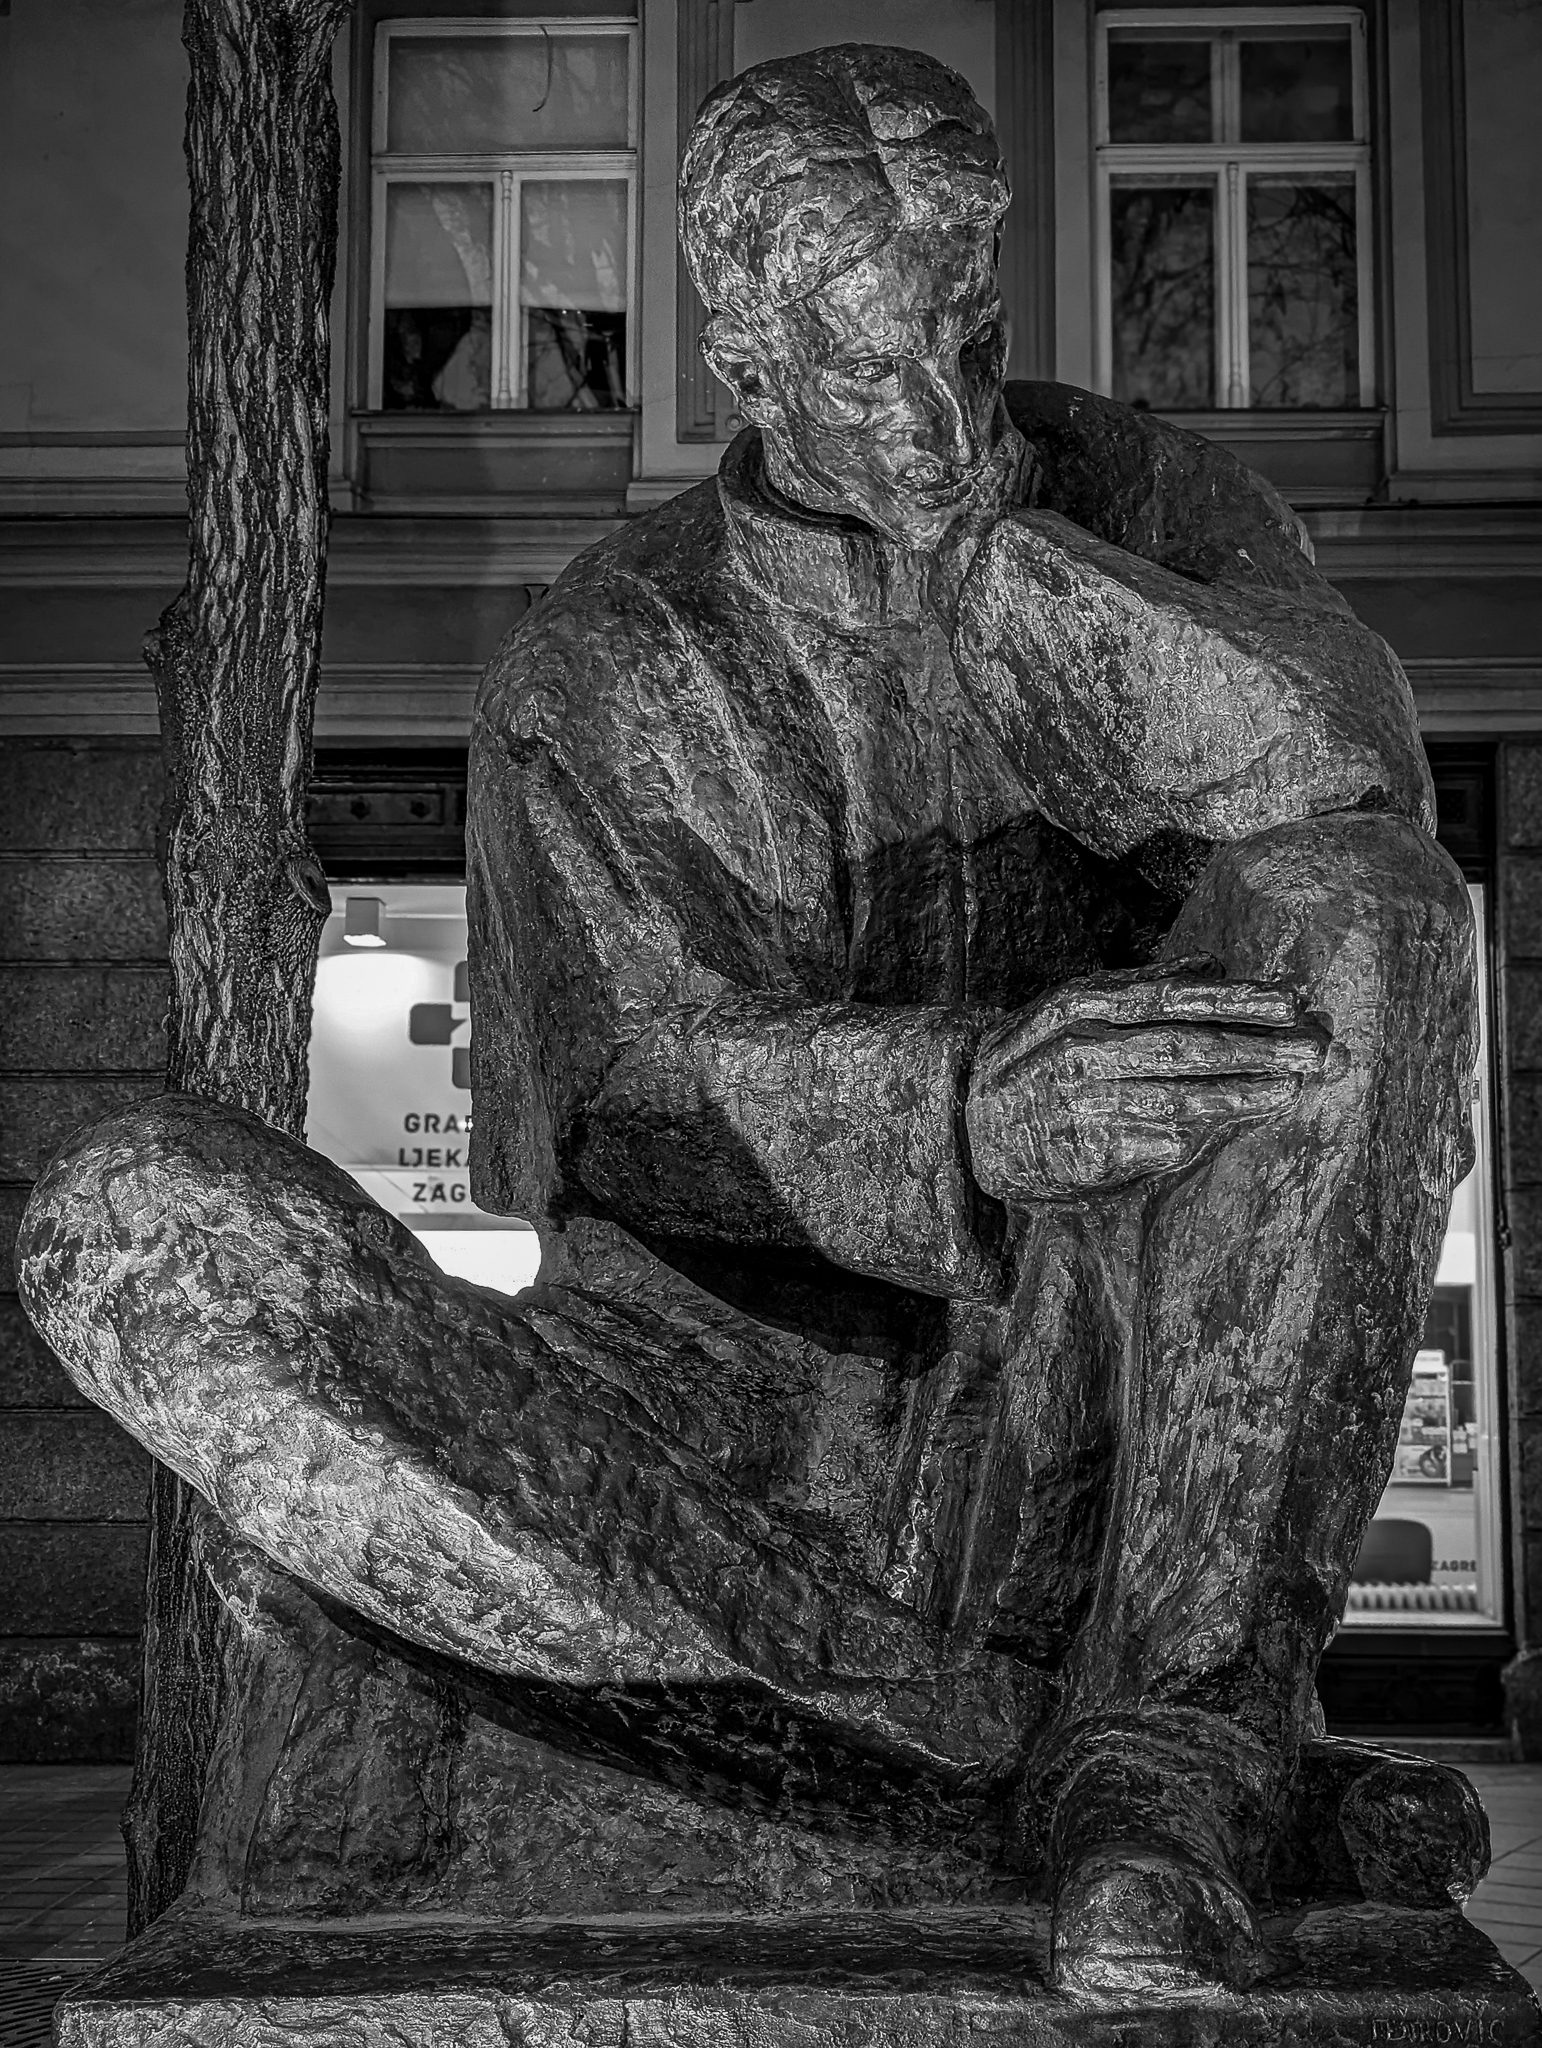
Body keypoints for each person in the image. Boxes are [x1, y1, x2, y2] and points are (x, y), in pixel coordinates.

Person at [20, 43, 1478, 1996]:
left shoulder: (1143, 498)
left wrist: (1005, 569)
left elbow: (1342, 775)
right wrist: (952, 1114)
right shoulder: (608, 654)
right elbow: (593, 1101)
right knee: (134, 1220)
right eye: (879, 366)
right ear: (750, 359)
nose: (947, 409)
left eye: (969, 332)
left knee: (1368, 911)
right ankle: (905, 1718)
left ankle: (1161, 1749)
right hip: (709, 1427)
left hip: (1084, 1427)